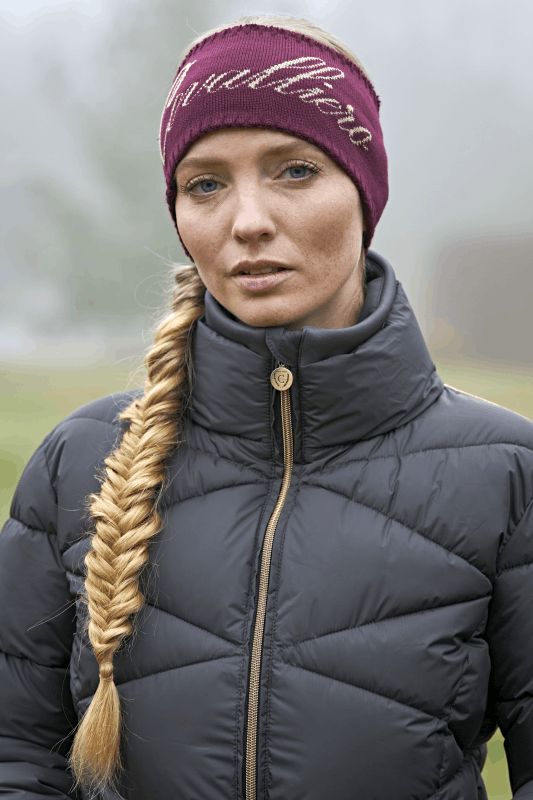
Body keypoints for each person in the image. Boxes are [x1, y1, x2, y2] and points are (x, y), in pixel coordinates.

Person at [0, 13, 532, 800]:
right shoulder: (78, 464)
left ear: (364, 193)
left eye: (294, 171)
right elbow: (16, 754)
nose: (247, 221)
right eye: (205, 184)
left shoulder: (507, 476)